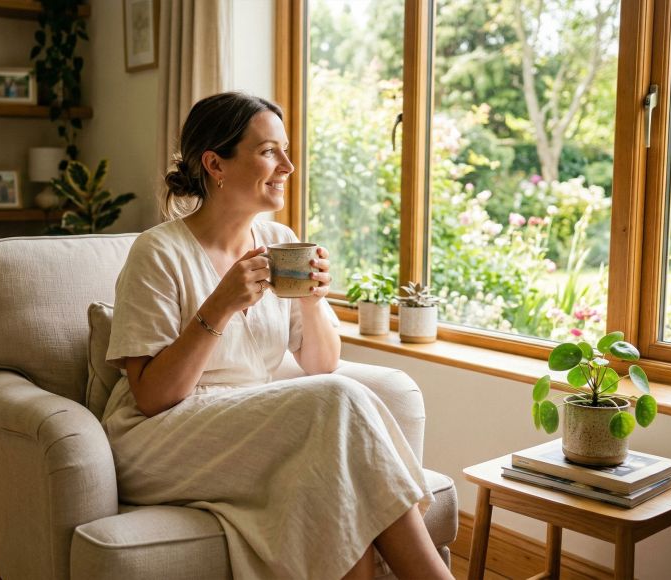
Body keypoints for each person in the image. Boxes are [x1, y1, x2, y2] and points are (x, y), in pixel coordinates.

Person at [102, 92, 453, 579]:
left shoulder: (281, 242)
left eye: (286, 151)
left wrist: (313, 300)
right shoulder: (158, 253)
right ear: (215, 164)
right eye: (269, 151)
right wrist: (219, 305)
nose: (287, 165)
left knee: (336, 472)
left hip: (252, 421)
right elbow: (153, 398)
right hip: (159, 438)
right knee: (337, 401)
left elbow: (321, 365)